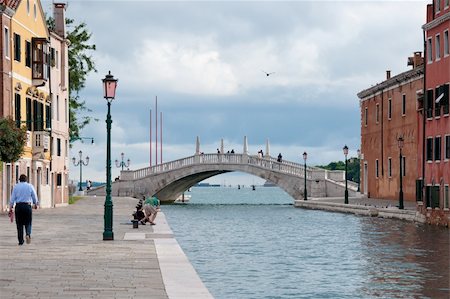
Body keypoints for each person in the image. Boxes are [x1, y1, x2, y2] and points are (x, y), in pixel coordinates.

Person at [9, 174, 39, 246]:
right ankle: (28, 234)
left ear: (19, 180)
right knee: (28, 222)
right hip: (27, 206)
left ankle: (20, 240)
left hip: (18, 206)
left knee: (19, 224)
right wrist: (36, 204)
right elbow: (34, 196)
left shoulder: (16, 187)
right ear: (26, 179)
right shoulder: (30, 186)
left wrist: (11, 207)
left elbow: (12, 198)